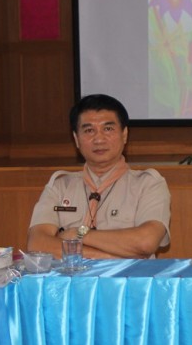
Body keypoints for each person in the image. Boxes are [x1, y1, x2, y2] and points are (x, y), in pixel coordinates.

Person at [27, 94, 171, 259]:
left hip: (129, 276)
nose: (99, 139)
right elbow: (37, 245)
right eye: (89, 130)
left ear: (124, 134)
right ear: (76, 139)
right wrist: (113, 258)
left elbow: (146, 242)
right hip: (73, 277)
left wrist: (78, 234)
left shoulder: (149, 184)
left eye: (108, 129)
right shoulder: (60, 186)